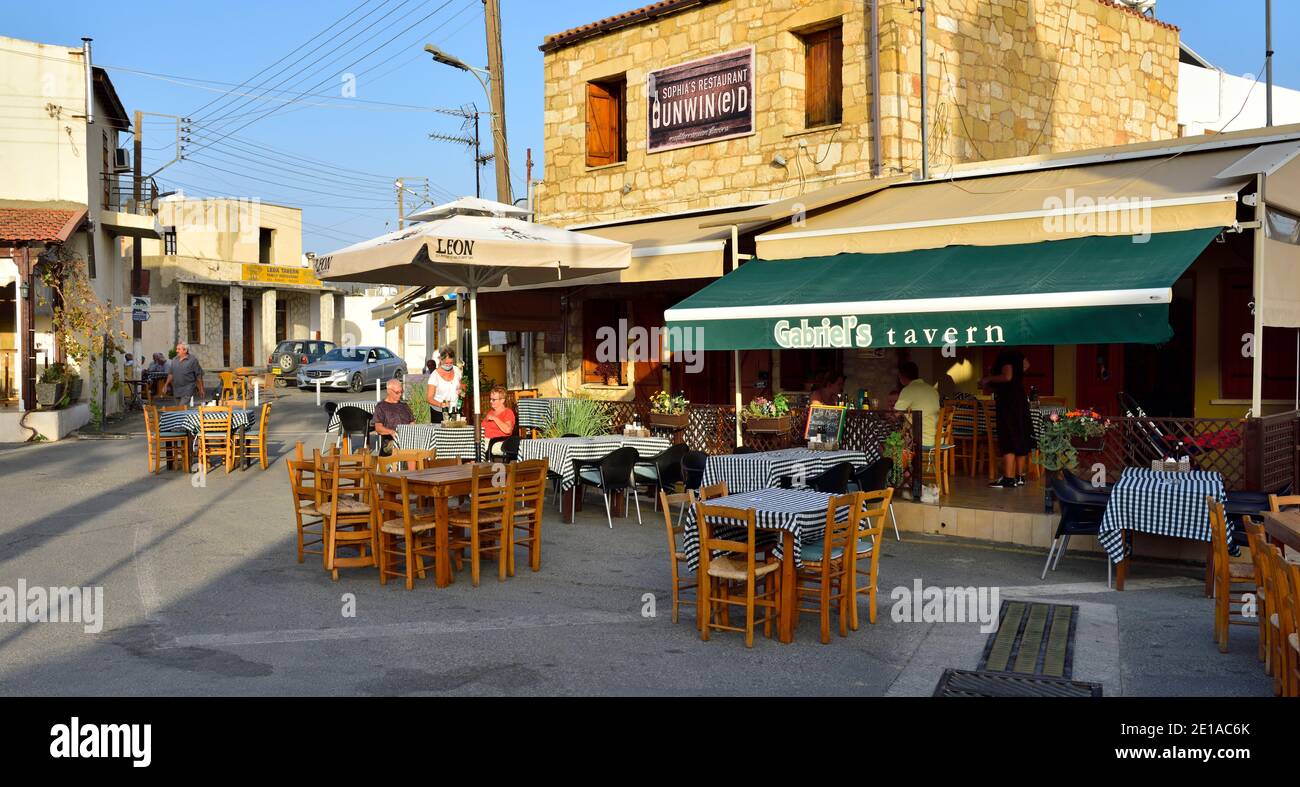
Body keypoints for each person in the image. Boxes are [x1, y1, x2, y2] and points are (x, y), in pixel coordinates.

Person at [979, 349, 1034, 488]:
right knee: (1020, 434)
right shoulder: (1017, 353)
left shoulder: (1005, 354)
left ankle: (1009, 478)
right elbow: (1026, 365)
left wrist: (989, 378)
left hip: (1008, 400)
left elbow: (1007, 376)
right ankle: (1020, 476)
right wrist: (1018, 375)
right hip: (1020, 398)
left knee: (1007, 435)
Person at [894, 361, 941, 449]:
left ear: (902, 376)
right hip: (938, 439)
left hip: (923, 440)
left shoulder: (908, 389)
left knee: (889, 443)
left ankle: (901, 463)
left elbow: (895, 414)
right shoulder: (932, 389)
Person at [373, 379, 414, 455]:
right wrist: (391, 432)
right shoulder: (381, 407)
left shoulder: (405, 406)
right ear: (389, 391)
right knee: (408, 447)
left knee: (418, 446)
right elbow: (378, 428)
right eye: (397, 392)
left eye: (401, 392)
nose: (400, 395)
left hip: (407, 438)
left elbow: (412, 422)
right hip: (390, 442)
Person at [425, 345, 461, 424]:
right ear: (441, 360)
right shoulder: (434, 375)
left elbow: (461, 385)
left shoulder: (457, 370)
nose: (448, 365)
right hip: (439, 412)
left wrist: (461, 390)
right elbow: (429, 398)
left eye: (451, 363)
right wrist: (441, 404)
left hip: (455, 409)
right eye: (446, 363)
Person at [482, 385, 517, 456]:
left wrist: (495, 418)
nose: (490, 401)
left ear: (502, 400)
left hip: (497, 443)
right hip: (485, 440)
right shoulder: (490, 412)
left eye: (493, 399)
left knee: (475, 447)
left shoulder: (508, 412)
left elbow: (508, 430)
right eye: (490, 399)